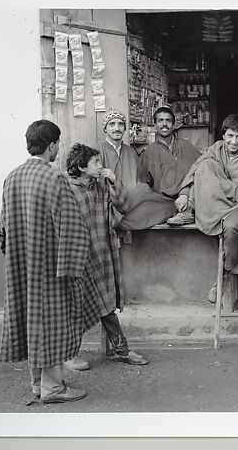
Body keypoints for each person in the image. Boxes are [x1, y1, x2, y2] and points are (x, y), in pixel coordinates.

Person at [0, 120, 100, 404]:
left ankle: (38, 385)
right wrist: (76, 265)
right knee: (53, 322)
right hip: (51, 265)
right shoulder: (54, 178)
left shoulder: (12, 177)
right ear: (53, 145)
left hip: (21, 264)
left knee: (32, 320)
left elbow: (4, 229)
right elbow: (71, 226)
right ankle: (53, 388)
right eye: (59, 144)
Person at [63, 144, 148, 370]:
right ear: (81, 167)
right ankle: (70, 354)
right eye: (95, 163)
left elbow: (123, 205)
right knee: (77, 305)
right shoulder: (66, 188)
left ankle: (119, 350)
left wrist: (113, 181)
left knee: (106, 301)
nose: (101, 166)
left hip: (102, 250)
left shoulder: (100, 185)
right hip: (78, 255)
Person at [174, 114, 238, 303]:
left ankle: (225, 272)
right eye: (229, 136)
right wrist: (185, 192)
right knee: (205, 165)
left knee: (232, 227)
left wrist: (218, 184)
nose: (233, 142)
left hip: (236, 203)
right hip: (214, 199)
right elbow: (196, 170)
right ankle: (191, 208)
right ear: (223, 135)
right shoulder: (217, 148)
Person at [98, 108, 180, 231]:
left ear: (125, 128)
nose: (117, 128)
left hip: (136, 199)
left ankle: (124, 222)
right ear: (105, 129)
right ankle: (121, 222)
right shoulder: (99, 150)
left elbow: (142, 180)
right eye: (112, 124)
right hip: (114, 200)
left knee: (169, 205)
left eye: (120, 124)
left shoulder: (130, 151)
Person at [141, 106, 201, 225]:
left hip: (188, 199)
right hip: (163, 202)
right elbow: (145, 184)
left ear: (173, 124)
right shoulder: (150, 152)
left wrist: (186, 193)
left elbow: (201, 169)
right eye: (160, 120)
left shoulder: (186, 146)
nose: (164, 124)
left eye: (168, 121)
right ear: (155, 125)